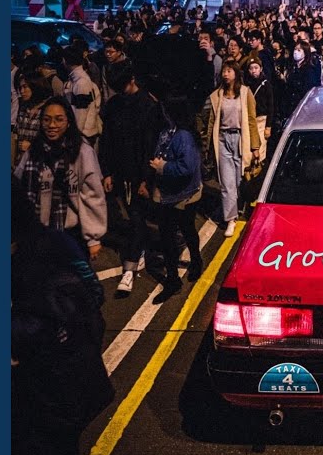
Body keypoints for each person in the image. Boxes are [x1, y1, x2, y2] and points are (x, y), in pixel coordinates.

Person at [11, 178, 114, 455]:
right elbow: (94, 293)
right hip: (69, 378)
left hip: (51, 385)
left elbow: (89, 298)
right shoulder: (56, 241)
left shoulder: (41, 252)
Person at [14, 96, 108, 261]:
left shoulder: (82, 152)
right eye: (46, 120)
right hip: (36, 234)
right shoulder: (34, 151)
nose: (52, 125)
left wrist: (93, 238)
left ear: (69, 122)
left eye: (59, 120)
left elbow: (92, 196)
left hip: (70, 235)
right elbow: (17, 187)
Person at [99, 64, 161, 297]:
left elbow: (151, 145)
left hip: (140, 172)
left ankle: (130, 267)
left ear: (132, 79)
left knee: (136, 215)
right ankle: (141, 246)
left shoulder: (148, 105)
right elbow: (107, 140)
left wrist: (146, 179)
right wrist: (107, 172)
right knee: (134, 215)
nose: (121, 91)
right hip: (120, 171)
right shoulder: (114, 105)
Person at [139, 95, 205, 298]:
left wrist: (163, 167)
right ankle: (174, 279)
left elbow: (188, 166)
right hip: (168, 194)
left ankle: (195, 262)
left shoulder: (183, 136)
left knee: (186, 230)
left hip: (183, 195)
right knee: (168, 237)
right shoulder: (168, 132)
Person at [206, 62, 262, 236]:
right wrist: (207, 147)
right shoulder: (217, 95)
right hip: (222, 139)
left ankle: (238, 205)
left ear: (236, 73)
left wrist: (255, 146)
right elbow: (211, 122)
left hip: (240, 139)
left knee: (238, 180)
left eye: (229, 71)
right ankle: (230, 218)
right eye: (224, 71)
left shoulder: (245, 93)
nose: (225, 74)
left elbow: (251, 119)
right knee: (226, 182)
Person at [61, 48, 103, 148]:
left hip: (84, 135)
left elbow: (81, 112)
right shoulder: (78, 79)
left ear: (65, 61)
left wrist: (74, 136)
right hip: (83, 133)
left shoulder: (81, 82)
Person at [14, 71, 53, 167]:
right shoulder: (23, 108)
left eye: (25, 87)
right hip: (21, 163)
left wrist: (31, 146)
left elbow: (53, 141)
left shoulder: (48, 110)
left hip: (41, 162)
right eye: (20, 88)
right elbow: (16, 132)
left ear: (35, 86)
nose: (22, 91)